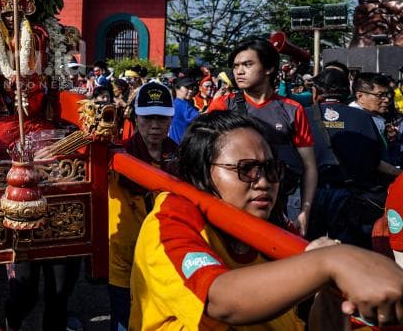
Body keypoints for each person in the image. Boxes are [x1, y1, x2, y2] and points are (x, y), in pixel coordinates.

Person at [130, 111, 403, 330]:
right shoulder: (171, 216)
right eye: (245, 169)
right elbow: (221, 300)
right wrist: (332, 261)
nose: (263, 182)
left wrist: (329, 293)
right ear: (202, 173)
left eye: (271, 169)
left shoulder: (276, 224)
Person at [207, 38, 317, 235]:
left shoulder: (292, 110)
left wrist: (304, 212)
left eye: (247, 64)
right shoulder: (224, 105)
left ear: (268, 68)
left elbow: (309, 166)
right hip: (235, 206)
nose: (239, 71)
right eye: (235, 66)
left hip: (281, 203)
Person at [108, 82, 178, 331]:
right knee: (124, 322)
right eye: (148, 119)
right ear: (136, 119)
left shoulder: (178, 157)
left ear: (171, 120)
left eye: (162, 119)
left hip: (164, 258)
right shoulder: (118, 157)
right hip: (124, 260)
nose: (155, 126)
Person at [306, 69, 398, 247]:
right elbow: (375, 160)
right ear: (349, 92)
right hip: (351, 197)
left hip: (312, 196)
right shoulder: (362, 117)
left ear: (316, 92)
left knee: (310, 248)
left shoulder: (302, 114)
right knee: (349, 249)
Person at [169, 76, 199, 144]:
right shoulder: (182, 105)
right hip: (182, 146)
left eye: (192, 88)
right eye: (187, 87)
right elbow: (201, 119)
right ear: (177, 88)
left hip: (173, 144)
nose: (191, 91)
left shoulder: (175, 103)